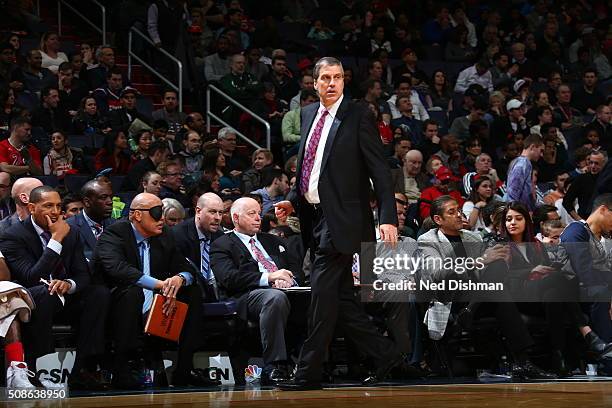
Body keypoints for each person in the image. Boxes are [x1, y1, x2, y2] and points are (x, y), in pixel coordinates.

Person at [277, 57, 401, 391]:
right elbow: (309, 165)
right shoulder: (306, 115)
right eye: (325, 78)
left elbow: (380, 170)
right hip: (313, 217)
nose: (332, 83)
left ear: (344, 82)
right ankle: (387, 353)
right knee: (341, 298)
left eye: (338, 77)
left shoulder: (358, 114)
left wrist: (387, 217)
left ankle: (308, 372)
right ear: (314, 83)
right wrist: (292, 196)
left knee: (320, 294)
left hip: (343, 219)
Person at [418, 195, 556, 379]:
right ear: (438, 219)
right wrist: (479, 261)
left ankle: (471, 311)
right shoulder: (427, 240)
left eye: (459, 210)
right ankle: (523, 363)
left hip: (478, 297)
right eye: (452, 212)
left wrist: (501, 260)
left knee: (498, 272)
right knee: (499, 294)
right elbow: (437, 274)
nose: (459, 215)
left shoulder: (472, 237)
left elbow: (491, 271)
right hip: (451, 298)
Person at [0, 186, 110, 390]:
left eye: (58, 206)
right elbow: (32, 277)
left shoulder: (72, 233)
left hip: (64, 297)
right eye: (48, 206)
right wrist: (56, 239)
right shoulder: (13, 235)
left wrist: (69, 284)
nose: (55, 211)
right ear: (32, 208)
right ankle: (38, 370)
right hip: (32, 299)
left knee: (99, 294)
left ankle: (82, 368)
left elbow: (83, 275)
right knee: (45, 292)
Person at [93, 192, 207, 388]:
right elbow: (118, 269)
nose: (162, 218)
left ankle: (184, 370)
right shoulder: (115, 233)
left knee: (192, 292)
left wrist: (178, 279)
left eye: (162, 212)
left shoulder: (164, 235)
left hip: (157, 306)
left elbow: (187, 269)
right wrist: (160, 284)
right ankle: (123, 369)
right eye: (156, 213)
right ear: (137, 215)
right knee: (132, 292)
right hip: (115, 305)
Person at [501, 201, 612, 374]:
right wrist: (530, 270)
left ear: (526, 222)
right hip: (518, 296)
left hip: (544, 295)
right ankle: (587, 333)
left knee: (555, 293)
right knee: (559, 281)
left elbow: (547, 269)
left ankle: (558, 356)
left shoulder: (536, 245)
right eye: (508, 219)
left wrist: (548, 269)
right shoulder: (500, 245)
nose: (513, 223)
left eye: (518, 218)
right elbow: (501, 277)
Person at [211, 197, 302, 384]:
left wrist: (290, 280)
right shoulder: (222, 244)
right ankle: (275, 365)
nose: (258, 218)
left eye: (259, 214)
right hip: (248, 295)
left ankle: (313, 364)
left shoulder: (274, 241)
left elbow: (297, 269)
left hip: (287, 291)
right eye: (251, 214)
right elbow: (229, 278)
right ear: (236, 218)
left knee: (320, 297)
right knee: (274, 297)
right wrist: (269, 278)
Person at [561, 193, 612, 365]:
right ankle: (606, 356)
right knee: (602, 292)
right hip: (572, 291)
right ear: (603, 210)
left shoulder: (605, 239)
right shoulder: (576, 230)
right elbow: (584, 272)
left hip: (595, 289)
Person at [173, 192, 225, 302]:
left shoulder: (221, 237)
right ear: (198, 211)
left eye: (220, 213)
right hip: (190, 294)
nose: (217, 218)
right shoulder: (178, 235)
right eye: (212, 212)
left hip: (219, 293)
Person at [67, 180, 114, 263]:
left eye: (111, 197)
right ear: (87, 202)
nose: (110, 202)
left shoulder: (115, 225)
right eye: (103, 197)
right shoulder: (69, 227)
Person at [503, 134, 544, 212]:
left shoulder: (521, 162)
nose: (541, 155)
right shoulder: (522, 164)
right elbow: (513, 193)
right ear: (532, 147)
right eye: (541, 150)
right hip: (518, 213)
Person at [562, 150, 607, 220]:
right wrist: (580, 220)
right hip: (586, 219)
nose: (593, 166)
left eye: (596, 163)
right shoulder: (581, 179)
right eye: (591, 162)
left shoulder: (608, 180)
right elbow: (566, 202)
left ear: (604, 164)